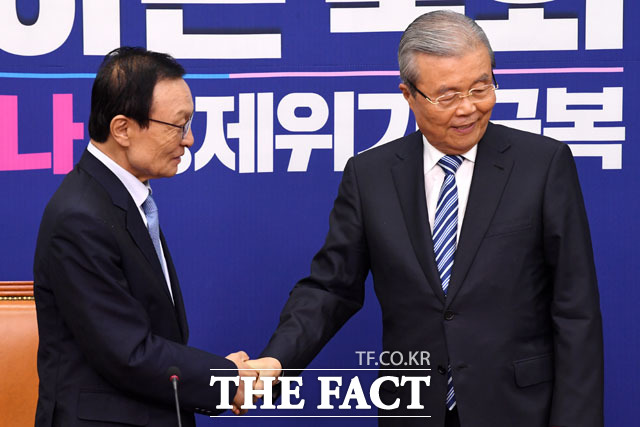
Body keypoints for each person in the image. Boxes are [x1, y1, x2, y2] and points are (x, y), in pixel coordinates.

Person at [251, 10, 604, 427]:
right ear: (409, 94)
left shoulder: (542, 165)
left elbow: (576, 310)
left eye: (481, 87)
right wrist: (277, 360)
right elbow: (331, 287)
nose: (468, 108)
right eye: (448, 96)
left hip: (518, 410)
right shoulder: (370, 176)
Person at [33, 47, 255, 426]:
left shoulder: (120, 198)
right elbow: (128, 354)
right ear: (122, 129)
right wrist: (225, 380)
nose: (189, 139)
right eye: (178, 125)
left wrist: (221, 376)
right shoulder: (80, 217)